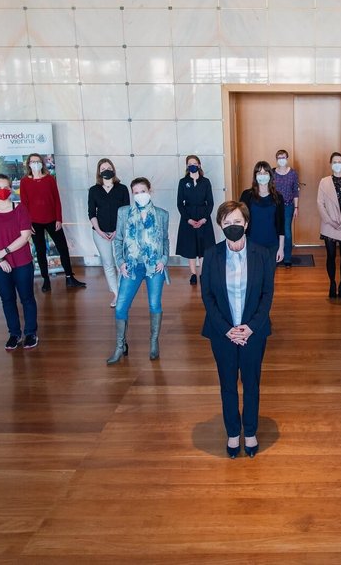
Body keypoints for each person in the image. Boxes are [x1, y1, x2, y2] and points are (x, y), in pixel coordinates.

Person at [201, 201, 275, 459]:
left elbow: (267, 295)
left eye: (237, 222)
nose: (233, 226)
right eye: (227, 223)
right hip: (222, 333)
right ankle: (233, 432)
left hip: (253, 332)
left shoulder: (262, 254)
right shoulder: (211, 255)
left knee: (252, 383)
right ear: (221, 225)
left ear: (246, 224)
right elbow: (207, 296)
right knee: (228, 384)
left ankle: (251, 431)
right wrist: (227, 330)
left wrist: (250, 327)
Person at [107, 177, 170, 366]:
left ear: (150, 191)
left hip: (153, 267)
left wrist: (164, 260)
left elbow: (165, 240)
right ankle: (120, 346)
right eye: (135, 192)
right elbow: (118, 240)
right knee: (120, 306)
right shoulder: (124, 213)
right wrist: (120, 262)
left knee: (154, 304)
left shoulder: (162, 214)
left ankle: (153, 343)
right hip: (132, 267)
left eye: (143, 191)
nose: (139, 195)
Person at [0, 173, 38, 351]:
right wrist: (0, 257)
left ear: (11, 189)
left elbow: (25, 235)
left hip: (21, 262)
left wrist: (5, 252)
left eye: (5, 187)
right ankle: (14, 333)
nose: (2, 190)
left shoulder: (20, 209)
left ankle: (30, 333)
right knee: (7, 299)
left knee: (27, 297)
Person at [18, 152, 85, 291]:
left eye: (38, 161)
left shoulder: (49, 179)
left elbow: (56, 200)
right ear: (28, 164)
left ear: (42, 163)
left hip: (52, 220)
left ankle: (69, 277)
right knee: (41, 251)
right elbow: (23, 204)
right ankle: (46, 279)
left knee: (62, 248)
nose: (35, 164)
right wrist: (27, 224)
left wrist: (59, 219)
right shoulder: (24, 181)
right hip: (34, 222)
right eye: (32, 161)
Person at [88, 158, 130, 308]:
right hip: (100, 233)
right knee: (108, 263)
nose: (106, 170)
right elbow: (91, 213)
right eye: (103, 168)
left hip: (120, 232)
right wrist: (99, 231)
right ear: (99, 172)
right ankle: (116, 294)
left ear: (113, 169)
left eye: (108, 167)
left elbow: (126, 212)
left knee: (121, 263)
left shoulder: (122, 188)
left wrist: (117, 230)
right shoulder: (94, 190)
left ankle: (124, 293)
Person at [317, 152, 341, 298]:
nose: (337, 164)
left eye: (340, 161)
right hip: (329, 225)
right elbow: (320, 203)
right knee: (331, 256)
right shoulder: (324, 181)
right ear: (331, 164)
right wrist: (330, 221)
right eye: (334, 161)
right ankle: (332, 283)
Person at [175, 155, 216, 286]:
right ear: (187, 166)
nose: (192, 165)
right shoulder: (183, 182)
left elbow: (210, 202)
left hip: (204, 216)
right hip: (188, 216)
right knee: (191, 247)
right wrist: (188, 219)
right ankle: (193, 274)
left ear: (199, 165)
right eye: (190, 163)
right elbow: (179, 203)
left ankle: (203, 273)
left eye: (195, 163)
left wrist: (204, 218)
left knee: (204, 247)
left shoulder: (206, 181)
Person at [239, 161, 285, 265]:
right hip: (252, 244)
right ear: (255, 176)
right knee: (254, 278)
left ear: (270, 176)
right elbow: (241, 220)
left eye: (265, 173)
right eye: (259, 173)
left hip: (272, 244)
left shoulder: (278, 197)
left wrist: (281, 248)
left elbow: (282, 225)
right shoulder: (247, 195)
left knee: (269, 279)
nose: (262, 176)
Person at [272, 149, 300, 268]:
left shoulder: (293, 173)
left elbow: (295, 191)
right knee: (275, 231)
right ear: (276, 159)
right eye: (279, 158)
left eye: (283, 157)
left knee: (287, 232)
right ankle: (277, 255)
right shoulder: (272, 173)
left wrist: (296, 207)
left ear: (287, 159)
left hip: (288, 206)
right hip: (274, 206)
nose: (281, 160)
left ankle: (287, 257)